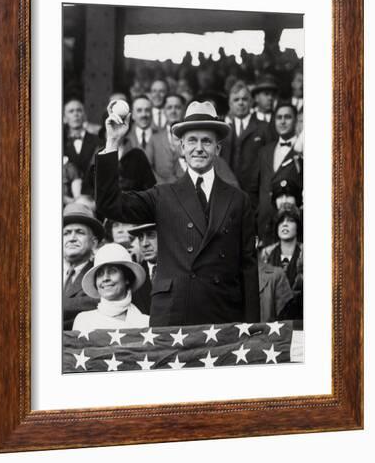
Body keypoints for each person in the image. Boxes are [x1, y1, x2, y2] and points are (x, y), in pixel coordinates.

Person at [95, 100, 260, 327]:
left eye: (207, 141)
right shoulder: (163, 195)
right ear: (181, 147)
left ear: (218, 149)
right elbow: (109, 205)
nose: (199, 148)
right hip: (174, 317)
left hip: (223, 317)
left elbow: (248, 270)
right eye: (192, 140)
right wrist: (113, 140)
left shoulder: (238, 200)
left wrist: (252, 328)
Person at [72, 243, 149, 330]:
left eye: (112, 271)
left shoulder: (145, 322)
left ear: (127, 278)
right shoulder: (84, 321)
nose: (105, 278)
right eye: (100, 274)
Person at [220, 80, 272, 209]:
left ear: (251, 102)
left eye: (244, 99)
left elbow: (269, 163)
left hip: (255, 194)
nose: (241, 103)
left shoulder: (264, 128)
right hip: (228, 193)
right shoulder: (223, 130)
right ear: (230, 104)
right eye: (236, 100)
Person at [256, 102, 303, 243]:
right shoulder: (264, 151)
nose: (282, 121)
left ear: (295, 121)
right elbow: (254, 188)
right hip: (264, 227)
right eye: (279, 117)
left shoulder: (302, 152)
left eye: (287, 117)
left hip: (290, 226)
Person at [62, 202, 105, 330]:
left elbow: (102, 302)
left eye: (80, 232)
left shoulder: (100, 273)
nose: (72, 238)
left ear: (94, 243)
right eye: (66, 233)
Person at [260, 204, 303, 320]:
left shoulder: (306, 253)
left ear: (298, 226)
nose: (284, 224)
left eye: (290, 221)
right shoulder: (266, 254)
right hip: (273, 316)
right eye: (281, 221)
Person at [63, 98, 100, 181]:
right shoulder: (61, 142)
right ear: (64, 118)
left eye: (79, 110)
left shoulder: (97, 141)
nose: (76, 114)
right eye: (71, 111)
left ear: (84, 115)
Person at [127, 223, 158, 314]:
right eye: (140, 238)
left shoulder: (180, 271)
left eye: (151, 235)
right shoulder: (133, 276)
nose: (144, 244)